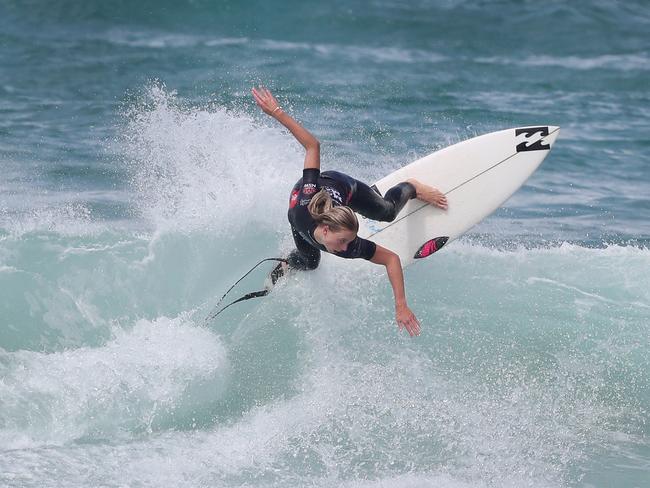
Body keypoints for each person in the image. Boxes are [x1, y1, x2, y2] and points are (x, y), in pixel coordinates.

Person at [252, 87, 448, 337]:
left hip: (346, 189)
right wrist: (276, 112)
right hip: (306, 203)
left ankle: (411, 186)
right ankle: (287, 263)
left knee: (386, 212)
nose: (347, 248)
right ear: (325, 229)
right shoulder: (307, 201)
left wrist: (401, 305)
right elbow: (312, 145)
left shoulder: (350, 245)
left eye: (349, 241)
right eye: (343, 241)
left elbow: (391, 259)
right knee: (310, 263)